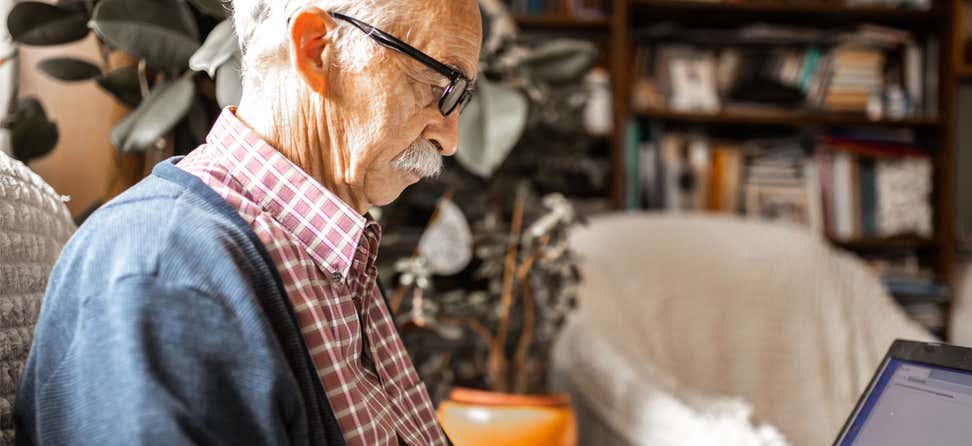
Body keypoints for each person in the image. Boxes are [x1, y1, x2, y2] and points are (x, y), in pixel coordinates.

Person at [15, 1, 482, 444]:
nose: (451, 138)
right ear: (317, 49)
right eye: (440, 86)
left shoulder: (334, 248)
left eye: (463, 97)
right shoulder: (162, 269)